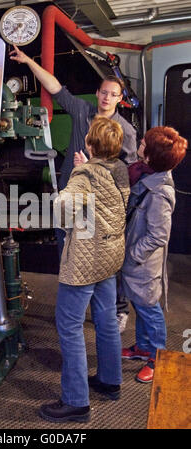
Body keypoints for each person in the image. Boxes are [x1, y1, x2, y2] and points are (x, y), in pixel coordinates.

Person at [10, 45, 136, 332]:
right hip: (71, 201)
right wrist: (30, 61)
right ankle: (75, 308)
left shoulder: (124, 131)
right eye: (103, 92)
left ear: (120, 99)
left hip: (100, 208)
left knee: (105, 262)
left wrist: (92, 165)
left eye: (112, 94)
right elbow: (55, 87)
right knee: (68, 254)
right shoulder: (82, 111)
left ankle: (117, 310)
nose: (105, 97)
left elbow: (126, 175)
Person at [36, 115, 130, 423]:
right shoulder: (120, 169)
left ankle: (76, 402)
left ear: (90, 144)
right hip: (110, 254)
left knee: (70, 326)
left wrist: (78, 174)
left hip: (85, 260)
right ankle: (109, 380)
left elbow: (62, 211)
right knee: (105, 319)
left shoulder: (85, 175)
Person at [120, 126, 187, 383]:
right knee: (139, 305)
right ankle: (142, 348)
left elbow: (158, 236)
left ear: (150, 156)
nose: (140, 142)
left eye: (144, 142)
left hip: (143, 264)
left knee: (149, 309)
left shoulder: (160, 192)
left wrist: (132, 256)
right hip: (136, 261)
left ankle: (158, 357)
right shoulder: (145, 172)